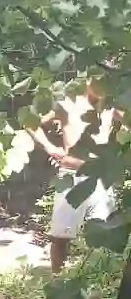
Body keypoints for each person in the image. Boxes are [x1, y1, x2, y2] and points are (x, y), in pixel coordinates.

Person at [28, 78, 121, 273]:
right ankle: (57, 280)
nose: (104, 86)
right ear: (88, 80)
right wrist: (50, 147)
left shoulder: (110, 106)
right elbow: (30, 121)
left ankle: (98, 286)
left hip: (100, 177)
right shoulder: (67, 105)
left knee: (105, 236)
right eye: (100, 81)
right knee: (61, 238)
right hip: (71, 175)